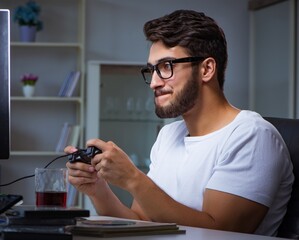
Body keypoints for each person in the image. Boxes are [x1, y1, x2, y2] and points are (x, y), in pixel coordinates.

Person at [65, 10, 294, 236]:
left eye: (167, 66)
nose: (154, 82)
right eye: (152, 69)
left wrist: (133, 178)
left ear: (206, 69)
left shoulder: (252, 135)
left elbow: (220, 232)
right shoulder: (169, 135)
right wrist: (97, 190)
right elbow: (140, 222)